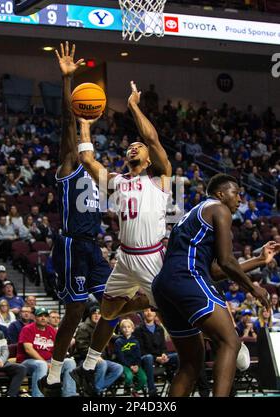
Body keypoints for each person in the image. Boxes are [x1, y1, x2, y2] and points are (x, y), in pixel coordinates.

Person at [71, 78, 172, 394]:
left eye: (138, 146)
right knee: (109, 312)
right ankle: (87, 369)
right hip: (125, 258)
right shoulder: (116, 182)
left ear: (148, 158)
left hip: (151, 259)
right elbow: (87, 160)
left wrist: (133, 106)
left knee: (177, 310)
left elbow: (152, 138)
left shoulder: (162, 179)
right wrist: (85, 123)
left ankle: (226, 343)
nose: (135, 146)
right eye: (131, 145)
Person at [38, 42, 115, 397]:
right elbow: (68, 124)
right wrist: (67, 81)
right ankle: (52, 376)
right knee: (76, 309)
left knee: (115, 303)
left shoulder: (98, 169)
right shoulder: (69, 164)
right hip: (70, 244)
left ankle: (88, 366)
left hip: (93, 247)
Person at [152, 173, 269, 397]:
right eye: (236, 193)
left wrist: (259, 260)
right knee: (230, 342)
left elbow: (215, 270)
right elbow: (226, 261)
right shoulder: (219, 209)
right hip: (187, 277)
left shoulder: (195, 214)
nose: (240, 199)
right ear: (220, 194)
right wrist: (253, 288)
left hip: (165, 285)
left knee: (190, 364)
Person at [17, 307, 77, 397]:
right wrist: (45, 362)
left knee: (70, 362)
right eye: (40, 316)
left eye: (45, 316)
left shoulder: (51, 330)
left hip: (49, 361)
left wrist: (56, 361)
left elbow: (59, 347)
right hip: (28, 361)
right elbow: (28, 349)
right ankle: (38, 395)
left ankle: (69, 394)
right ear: (35, 317)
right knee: (41, 365)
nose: (43, 318)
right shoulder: (27, 329)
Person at [73, 305, 123, 396]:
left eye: (99, 314)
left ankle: (96, 389)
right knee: (102, 364)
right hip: (84, 359)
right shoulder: (84, 327)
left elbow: (113, 337)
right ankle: (97, 391)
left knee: (118, 368)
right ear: (90, 315)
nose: (97, 315)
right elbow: (81, 346)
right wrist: (94, 356)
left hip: (100, 359)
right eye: (94, 314)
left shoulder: (102, 327)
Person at [134, 308, 178, 397]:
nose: (149, 312)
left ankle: (174, 382)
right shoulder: (138, 329)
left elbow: (163, 347)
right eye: (146, 310)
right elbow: (141, 350)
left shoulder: (160, 328)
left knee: (178, 356)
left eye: (151, 310)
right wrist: (156, 358)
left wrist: (164, 354)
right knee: (149, 357)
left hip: (160, 357)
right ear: (143, 313)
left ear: (155, 314)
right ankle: (152, 391)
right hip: (146, 358)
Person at [114, 319, 147, 397]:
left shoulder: (136, 341)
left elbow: (138, 356)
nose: (126, 329)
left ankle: (134, 390)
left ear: (132, 329)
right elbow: (121, 357)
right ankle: (128, 388)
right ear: (121, 329)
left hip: (135, 365)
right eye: (124, 327)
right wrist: (130, 366)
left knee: (143, 379)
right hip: (125, 364)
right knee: (129, 377)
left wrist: (137, 365)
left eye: (129, 327)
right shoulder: (118, 342)